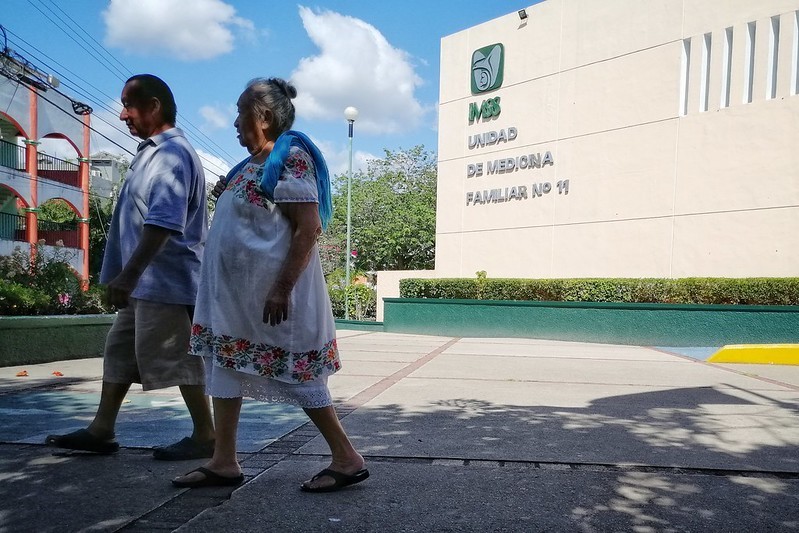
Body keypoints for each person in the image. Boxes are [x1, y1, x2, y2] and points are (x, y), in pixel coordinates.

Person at [172, 78, 368, 492]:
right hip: (234, 301)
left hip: (273, 298)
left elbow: (307, 227)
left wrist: (281, 288)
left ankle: (346, 458)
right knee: (224, 369)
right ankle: (224, 460)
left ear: (263, 116)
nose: (234, 121)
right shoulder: (248, 166)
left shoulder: (291, 156)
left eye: (241, 111)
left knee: (298, 375)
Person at [46, 74, 216, 461]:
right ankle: (102, 429)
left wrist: (130, 273)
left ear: (154, 106)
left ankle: (206, 434)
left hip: (164, 281)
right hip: (144, 282)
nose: (122, 114)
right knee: (120, 352)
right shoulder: (150, 152)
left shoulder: (172, 155)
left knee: (177, 357)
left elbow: (163, 222)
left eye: (129, 105)